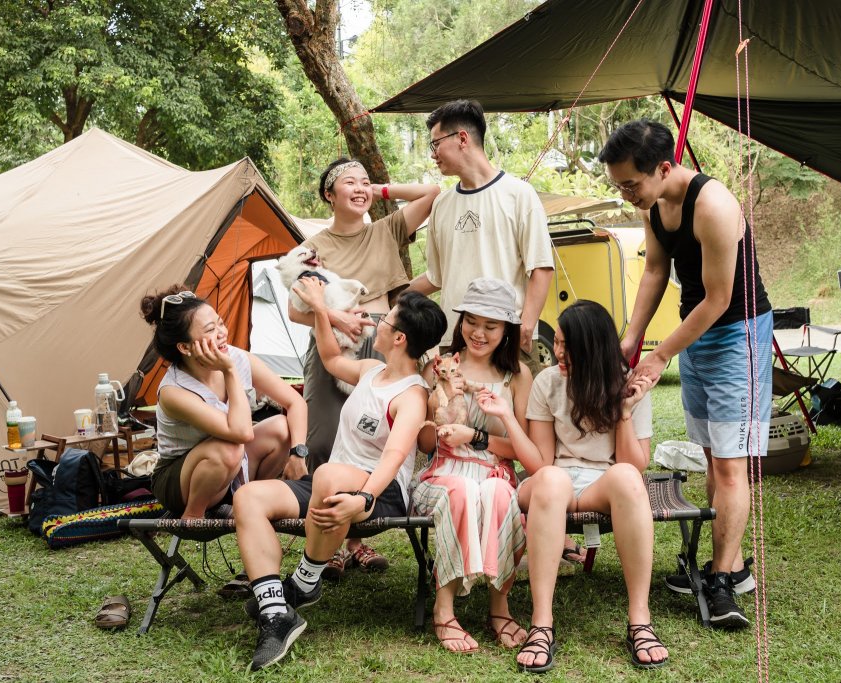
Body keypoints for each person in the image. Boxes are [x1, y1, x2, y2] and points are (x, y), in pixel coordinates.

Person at [599, 119, 773, 629]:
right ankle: (733, 567)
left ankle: (722, 580)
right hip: (696, 331)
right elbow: (655, 272)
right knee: (712, 454)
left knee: (729, 466)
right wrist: (632, 340)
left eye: (632, 183)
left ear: (665, 167)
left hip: (737, 333)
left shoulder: (715, 206)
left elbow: (720, 298)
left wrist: (659, 356)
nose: (628, 195)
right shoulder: (655, 209)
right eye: (620, 186)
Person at [233, 279, 447, 670]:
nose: (376, 321)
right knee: (248, 497)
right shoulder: (371, 370)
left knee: (329, 474)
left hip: (377, 492)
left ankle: (304, 581)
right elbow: (331, 359)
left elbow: (395, 455)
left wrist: (363, 497)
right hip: (330, 483)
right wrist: (318, 308)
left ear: (399, 338)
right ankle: (276, 610)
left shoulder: (411, 396)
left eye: (386, 319)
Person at [478, 300, 668, 672]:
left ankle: (639, 621)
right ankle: (542, 624)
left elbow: (633, 463)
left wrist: (626, 410)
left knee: (629, 478)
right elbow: (542, 462)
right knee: (550, 479)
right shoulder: (548, 382)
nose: (558, 352)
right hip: (555, 481)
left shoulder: (627, 383)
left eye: (567, 345)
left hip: (604, 481)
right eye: (559, 343)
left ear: (593, 346)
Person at [291, 157, 440, 578]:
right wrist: (336, 317)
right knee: (324, 435)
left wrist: (380, 191)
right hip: (332, 341)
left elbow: (432, 194)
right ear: (328, 195)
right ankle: (329, 540)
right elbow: (295, 307)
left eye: (364, 181)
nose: (358, 188)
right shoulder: (314, 246)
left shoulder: (387, 228)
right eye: (348, 183)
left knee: (378, 439)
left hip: (384, 340)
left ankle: (354, 540)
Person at [413, 278, 531, 653]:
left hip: (494, 468)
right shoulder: (439, 365)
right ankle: (443, 608)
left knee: (498, 493)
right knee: (462, 491)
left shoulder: (518, 376)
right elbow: (422, 443)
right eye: (471, 321)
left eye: (491, 326)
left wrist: (476, 438)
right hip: (444, 470)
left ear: (506, 330)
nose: (478, 333)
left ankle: (499, 607)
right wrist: (437, 416)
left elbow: (521, 448)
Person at [407, 99, 554, 372]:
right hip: (454, 342)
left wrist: (527, 324)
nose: (433, 154)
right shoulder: (442, 204)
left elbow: (541, 267)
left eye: (435, 144)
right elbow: (435, 277)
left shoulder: (518, 194)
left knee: (515, 415)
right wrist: (393, 294)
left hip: (508, 340)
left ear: (462, 138)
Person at [139, 286, 308, 520]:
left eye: (220, 323)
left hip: (231, 469)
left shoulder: (240, 358)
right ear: (185, 347)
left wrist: (298, 453)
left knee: (281, 426)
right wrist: (228, 371)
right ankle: (193, 515)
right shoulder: (173, 391)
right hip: (181, 481)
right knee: (230, 447)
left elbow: (295, 402)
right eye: (210, 329)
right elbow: (241, 433)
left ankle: (252, 501)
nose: (222, 333)